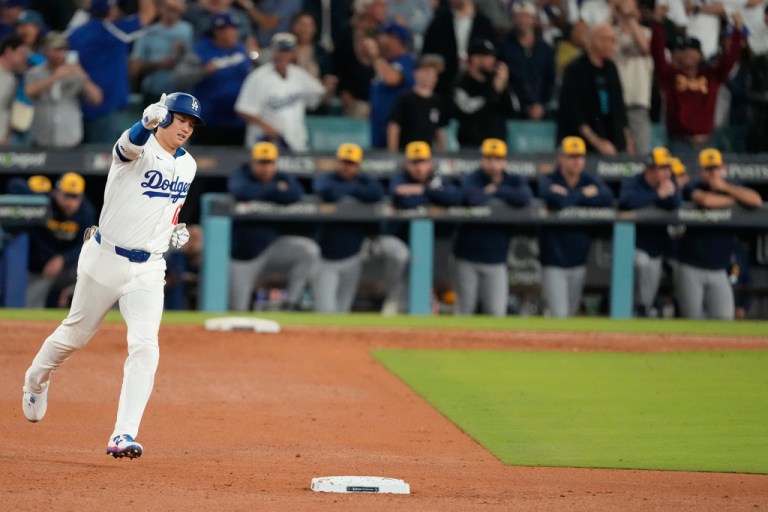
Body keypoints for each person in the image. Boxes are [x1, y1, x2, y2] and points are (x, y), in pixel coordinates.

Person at [22, 91, 205, 459]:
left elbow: (161, 208)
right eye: (180, 119)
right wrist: (146, 123)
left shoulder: (189, 166)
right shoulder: (139, 147)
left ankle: (123, 434)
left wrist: (170, 232)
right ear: (165, 117)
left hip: (149, 267)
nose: (186, 127)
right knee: (74, 335)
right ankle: (35, 379)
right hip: (105, 259)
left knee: (145, 346)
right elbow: (126, 147)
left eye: (191, 123)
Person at [227, 141, 320, 311]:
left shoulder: (281, 176)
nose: (265, 167)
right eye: (261, 162)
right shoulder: (241, 174)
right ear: (252, 162)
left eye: (269, 163)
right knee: (237, 309)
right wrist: (275, 190)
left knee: (308, 250)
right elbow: (240, 191)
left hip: (271, 249)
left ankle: (291, 302)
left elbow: (296, 193)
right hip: (243, 256)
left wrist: (262, 192)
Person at [675, 148, 763, 319]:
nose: (712, 173)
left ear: (723, 168)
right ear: (701, 171)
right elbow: (706, 200)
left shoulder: (730, 187)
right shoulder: (693, 185)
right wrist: (736, 202)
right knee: (691, 319)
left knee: (724, 318)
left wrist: (726, 188)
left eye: (715, 168)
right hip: (691, 264)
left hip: (719, 268)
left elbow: (756, 200)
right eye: (708, 169)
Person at [378, 140, 462, 314]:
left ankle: (420, 304)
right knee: (401, 257)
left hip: (427, 242)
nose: (418, 167)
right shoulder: (399, 178)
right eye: (414, 162)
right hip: (397, 237)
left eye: (422, 162)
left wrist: (421, 190)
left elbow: (453, 198)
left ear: (429, 163)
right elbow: (403, 199)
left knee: (422, 281)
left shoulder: (438, 179)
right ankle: (392, 297)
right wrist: (432, 194)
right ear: (407, 164)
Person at [453, 138, 533, 316]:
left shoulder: (513, 179)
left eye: (497, 159)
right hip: (467, 256)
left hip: (496, 259)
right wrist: (492, 191)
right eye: (488, 158)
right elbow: (472, 199)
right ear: (481, 159)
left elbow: (524, 197)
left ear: (504, 160)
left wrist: (495, 190)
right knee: (464, 310)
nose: (492, 163)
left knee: (496, 312)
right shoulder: (471, 178)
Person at [650, 5, 744, 154]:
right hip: (678, 143)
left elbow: (730, 59)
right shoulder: (670, 75)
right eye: (684, 51)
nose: (687, 54)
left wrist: (738, 31)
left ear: (700, 55)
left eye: (692, 51)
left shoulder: (712, 76)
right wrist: (657, 23)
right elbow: (657, 53)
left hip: (706, 142)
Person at [537, 136, 614, 317]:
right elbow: (554, 198)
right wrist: (583, 195)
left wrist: (572, 195)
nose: (577, 161)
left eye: (580, 156)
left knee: (571, 313)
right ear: (560, 158)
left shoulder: (588, 178)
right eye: (571, 156)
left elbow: (607, 196)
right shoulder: (550, 178)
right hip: (553, 260)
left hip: (579, 259)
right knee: (559, 314)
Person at [67, 0, 157, 144]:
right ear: (111, 10)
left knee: (81, 162)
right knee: (107, 161)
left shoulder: (75, 32)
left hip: (80, 105)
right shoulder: (113, 30)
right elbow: (148, 14)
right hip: (107, 107)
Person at [313, 143, 385, 313]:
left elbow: (376, 193)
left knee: (343, 309)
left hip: (353, 256)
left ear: (358, 166)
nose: (347, 167)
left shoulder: (365, 180)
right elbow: (328, 192)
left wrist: (349, 190)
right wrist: (355, 191)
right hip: (325, 257)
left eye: (352, 163)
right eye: (344, 162)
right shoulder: (326, 178)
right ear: (337, 162)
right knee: (325, 311)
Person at [617, 147, 681, 317]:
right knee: (641, 263)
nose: (667, 173)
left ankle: (644, 308)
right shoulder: (634, 182)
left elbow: (676, 203)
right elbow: (626, 202)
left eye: (668, 168)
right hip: (633, 244)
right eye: (662, 168)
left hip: (657, 246)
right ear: (650, 169)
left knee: (653, 274)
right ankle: (630, 308)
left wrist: (663, 193)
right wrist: (657, 194)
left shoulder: (669, 181)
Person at [234, 31, 325, 151]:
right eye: (280, 50)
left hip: (295, 143)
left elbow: (318, 97)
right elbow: (243, 109)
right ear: (273, 51)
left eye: (287, 51)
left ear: (293, 53)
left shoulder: (300, 75)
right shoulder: (258, 77)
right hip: (264, 143)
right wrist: (268, 128)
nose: (283, 54)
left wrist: (329, 86)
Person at [174, 11, 252, 146]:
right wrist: (203, 71)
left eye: (234, 29)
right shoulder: (200, 51)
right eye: (227, 29)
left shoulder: (243, 50)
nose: (232, 32)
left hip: (236, 121)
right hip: (207, 120)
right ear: (217, 32)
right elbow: (179, 78)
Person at [557, 23, 634, 156]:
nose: (614, 45)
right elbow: (576, 114)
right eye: (610, 40)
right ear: (597, 42)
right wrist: (597, 142)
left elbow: (620, 107)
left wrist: (628, 141)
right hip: (581, 146)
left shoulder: (611, 68)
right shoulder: (575, 69)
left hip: (613, 142)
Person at [26, 172, 97, 309]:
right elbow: (14, 184)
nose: (69, 201)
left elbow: (85, 244)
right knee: (30, 303)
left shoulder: (86, 211)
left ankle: (70, 296)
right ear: (56, 193)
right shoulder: (45, 202)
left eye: (74, 196)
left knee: (93, 266)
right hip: (41, 265)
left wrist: (62, 258)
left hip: (69, 266)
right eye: (66, 195)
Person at [24, 31, 102, 148]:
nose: (59, 54)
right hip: (42, 139)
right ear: (46, 51)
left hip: (70, 139)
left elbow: (97, 99)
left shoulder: (75, 72)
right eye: (55, 50)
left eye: (62, 50)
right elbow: (29, 91)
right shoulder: (35, 73)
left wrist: (82, 76)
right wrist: (55, 77)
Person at [421, 0, 495, 98]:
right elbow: (427, 53)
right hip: (444, 84)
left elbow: (492, 55)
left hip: (478, 88)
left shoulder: (484, 23)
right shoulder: (440, 21)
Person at [498, 0, 556, 121]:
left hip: (540, 108)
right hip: (512, 108)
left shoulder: (545, 49)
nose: (522, 21)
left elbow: (550, 80)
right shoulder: (503, 47)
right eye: (518, 16)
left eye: (526, 17)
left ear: (534, 20)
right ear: (512, 19)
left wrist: (541, 104)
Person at [129, 0, 194, 107]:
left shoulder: (188, 30)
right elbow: (135, 67)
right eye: (167, 8)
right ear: (159, 9)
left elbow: (197, 61)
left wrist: (183, 53)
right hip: (153, 92)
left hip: (182, 92)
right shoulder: (148, 32)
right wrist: (159, 64)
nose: (170, 12)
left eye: (174, 9)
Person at [451, 37, 513, 149]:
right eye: (487, 56)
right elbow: (468, 108)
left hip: (497, 147)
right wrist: (494, 91)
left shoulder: (495, 81)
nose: (492, 60)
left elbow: (513, 110)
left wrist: (503, 87)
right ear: (474, 58)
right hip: (470, 147)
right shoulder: (461, 83)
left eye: (493, 56)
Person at [362, 20, 415, 149]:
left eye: (383, 35)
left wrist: (375, 54)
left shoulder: (406, 61)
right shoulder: (385, 62)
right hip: (378, 126)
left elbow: (391, 78)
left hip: (396, 130)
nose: (379, 39)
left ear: (395, 39)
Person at [386, 53, 449, 152]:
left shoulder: (438, 101)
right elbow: (394, 127)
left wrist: (443, 153)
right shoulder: (405, 99)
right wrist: (392, 153)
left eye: (435, 74)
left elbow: (439, 130)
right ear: (416, 73)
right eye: (427, 73)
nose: (431, 77)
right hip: (406, 155)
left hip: (426, 157)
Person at [0, 34, 29, 146]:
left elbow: (6, 110)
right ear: (9, 51)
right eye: (21, 54)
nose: (24, 59)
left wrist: (5, 135)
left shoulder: (13, 78)